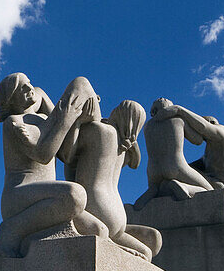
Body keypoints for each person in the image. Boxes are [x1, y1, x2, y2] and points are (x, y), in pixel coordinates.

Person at [0, 73, 106, 258]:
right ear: (10, 98)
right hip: (19, 196)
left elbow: (66, 154)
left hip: (48, 198)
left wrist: (76, 120)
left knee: (99, 229)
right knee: (76, 195)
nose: (29, 88)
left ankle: (34, 240)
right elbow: (43, 154)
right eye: (22, 87)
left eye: (30, 83)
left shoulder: (44, 120)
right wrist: (70, 111)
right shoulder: (14, 122)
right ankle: (13, 229)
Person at [59, 99, 161, 260]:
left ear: (119, 112)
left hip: (96, 207)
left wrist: (78, 121)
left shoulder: (100, 130)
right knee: (146, 253)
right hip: (118, 215)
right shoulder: (127, 151)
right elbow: (136, 163)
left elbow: (67, 155)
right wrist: (132, 139)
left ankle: (115, 248)